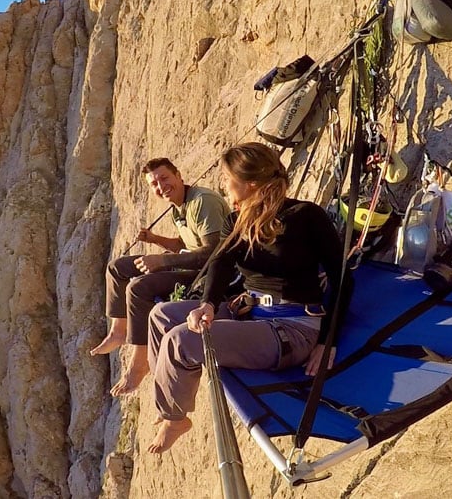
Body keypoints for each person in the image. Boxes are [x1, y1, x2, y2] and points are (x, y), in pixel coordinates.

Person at [145, 142, 353, 453]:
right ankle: (170, 398)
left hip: (291, 329)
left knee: (181, 340)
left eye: (227, 178)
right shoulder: (237, 221)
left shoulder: (306, 216)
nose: (222, 185)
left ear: (250, 184)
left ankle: (174, 417)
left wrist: (328, 341)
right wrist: (209, 304)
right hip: (250, 310)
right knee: (160, 316)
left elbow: (342, 279)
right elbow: (220, 262)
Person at [91, 157, 230, 397]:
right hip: (193, 265)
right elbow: (184, 244)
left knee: (138, 288)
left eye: (164, 178)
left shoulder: (202, 202)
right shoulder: (179, 206)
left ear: (178, 175)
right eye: (154, 184)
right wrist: (155, 240)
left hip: (213, 273)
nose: (161, 186)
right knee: (117, 268)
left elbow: (213, 253)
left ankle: (140, 362)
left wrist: (162, 261)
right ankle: (119, 330)